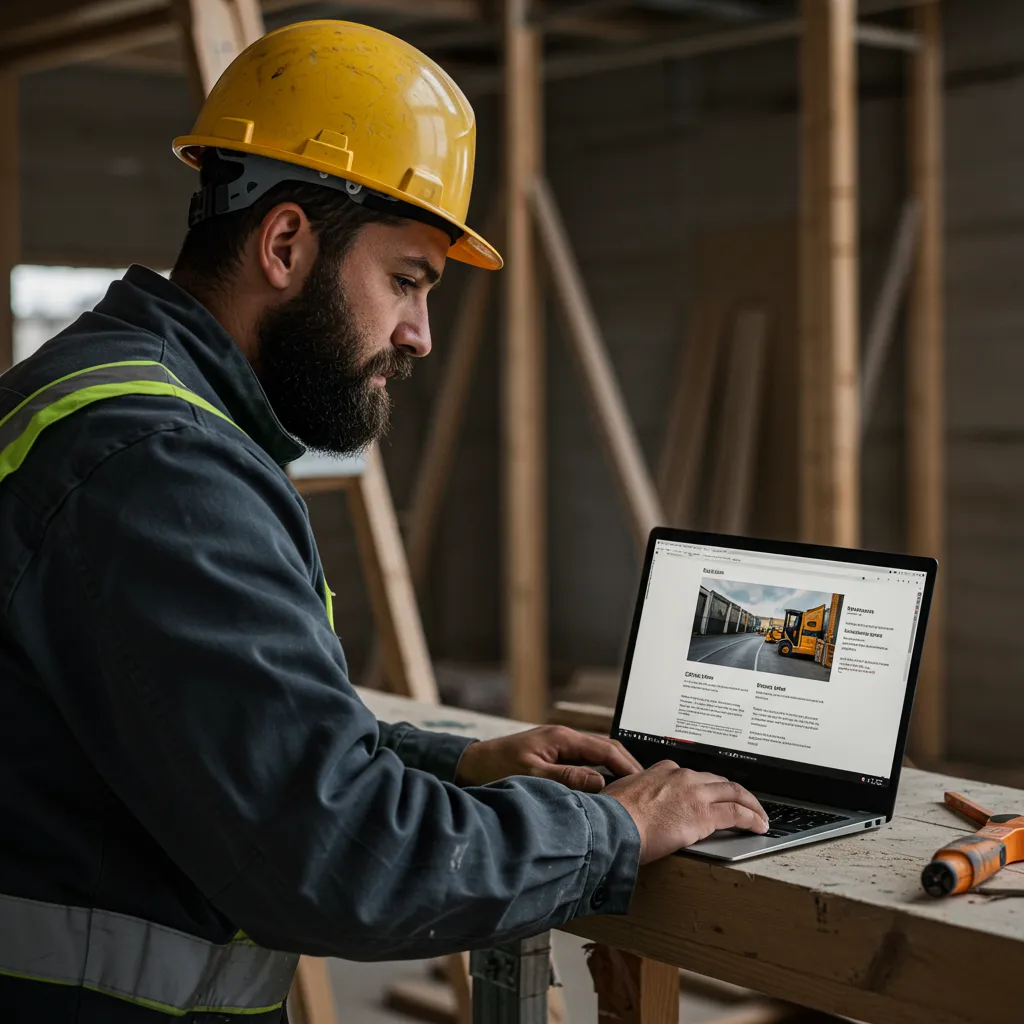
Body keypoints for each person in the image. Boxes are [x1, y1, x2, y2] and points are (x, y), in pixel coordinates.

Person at [0, 19, 768, 1023]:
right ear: (285, 243)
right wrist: (613, 831)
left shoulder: (91, 396)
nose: (420, 334)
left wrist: (455, 761)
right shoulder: (163, 467)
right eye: (405, 280)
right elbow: (343, 858)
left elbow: (209, 735)